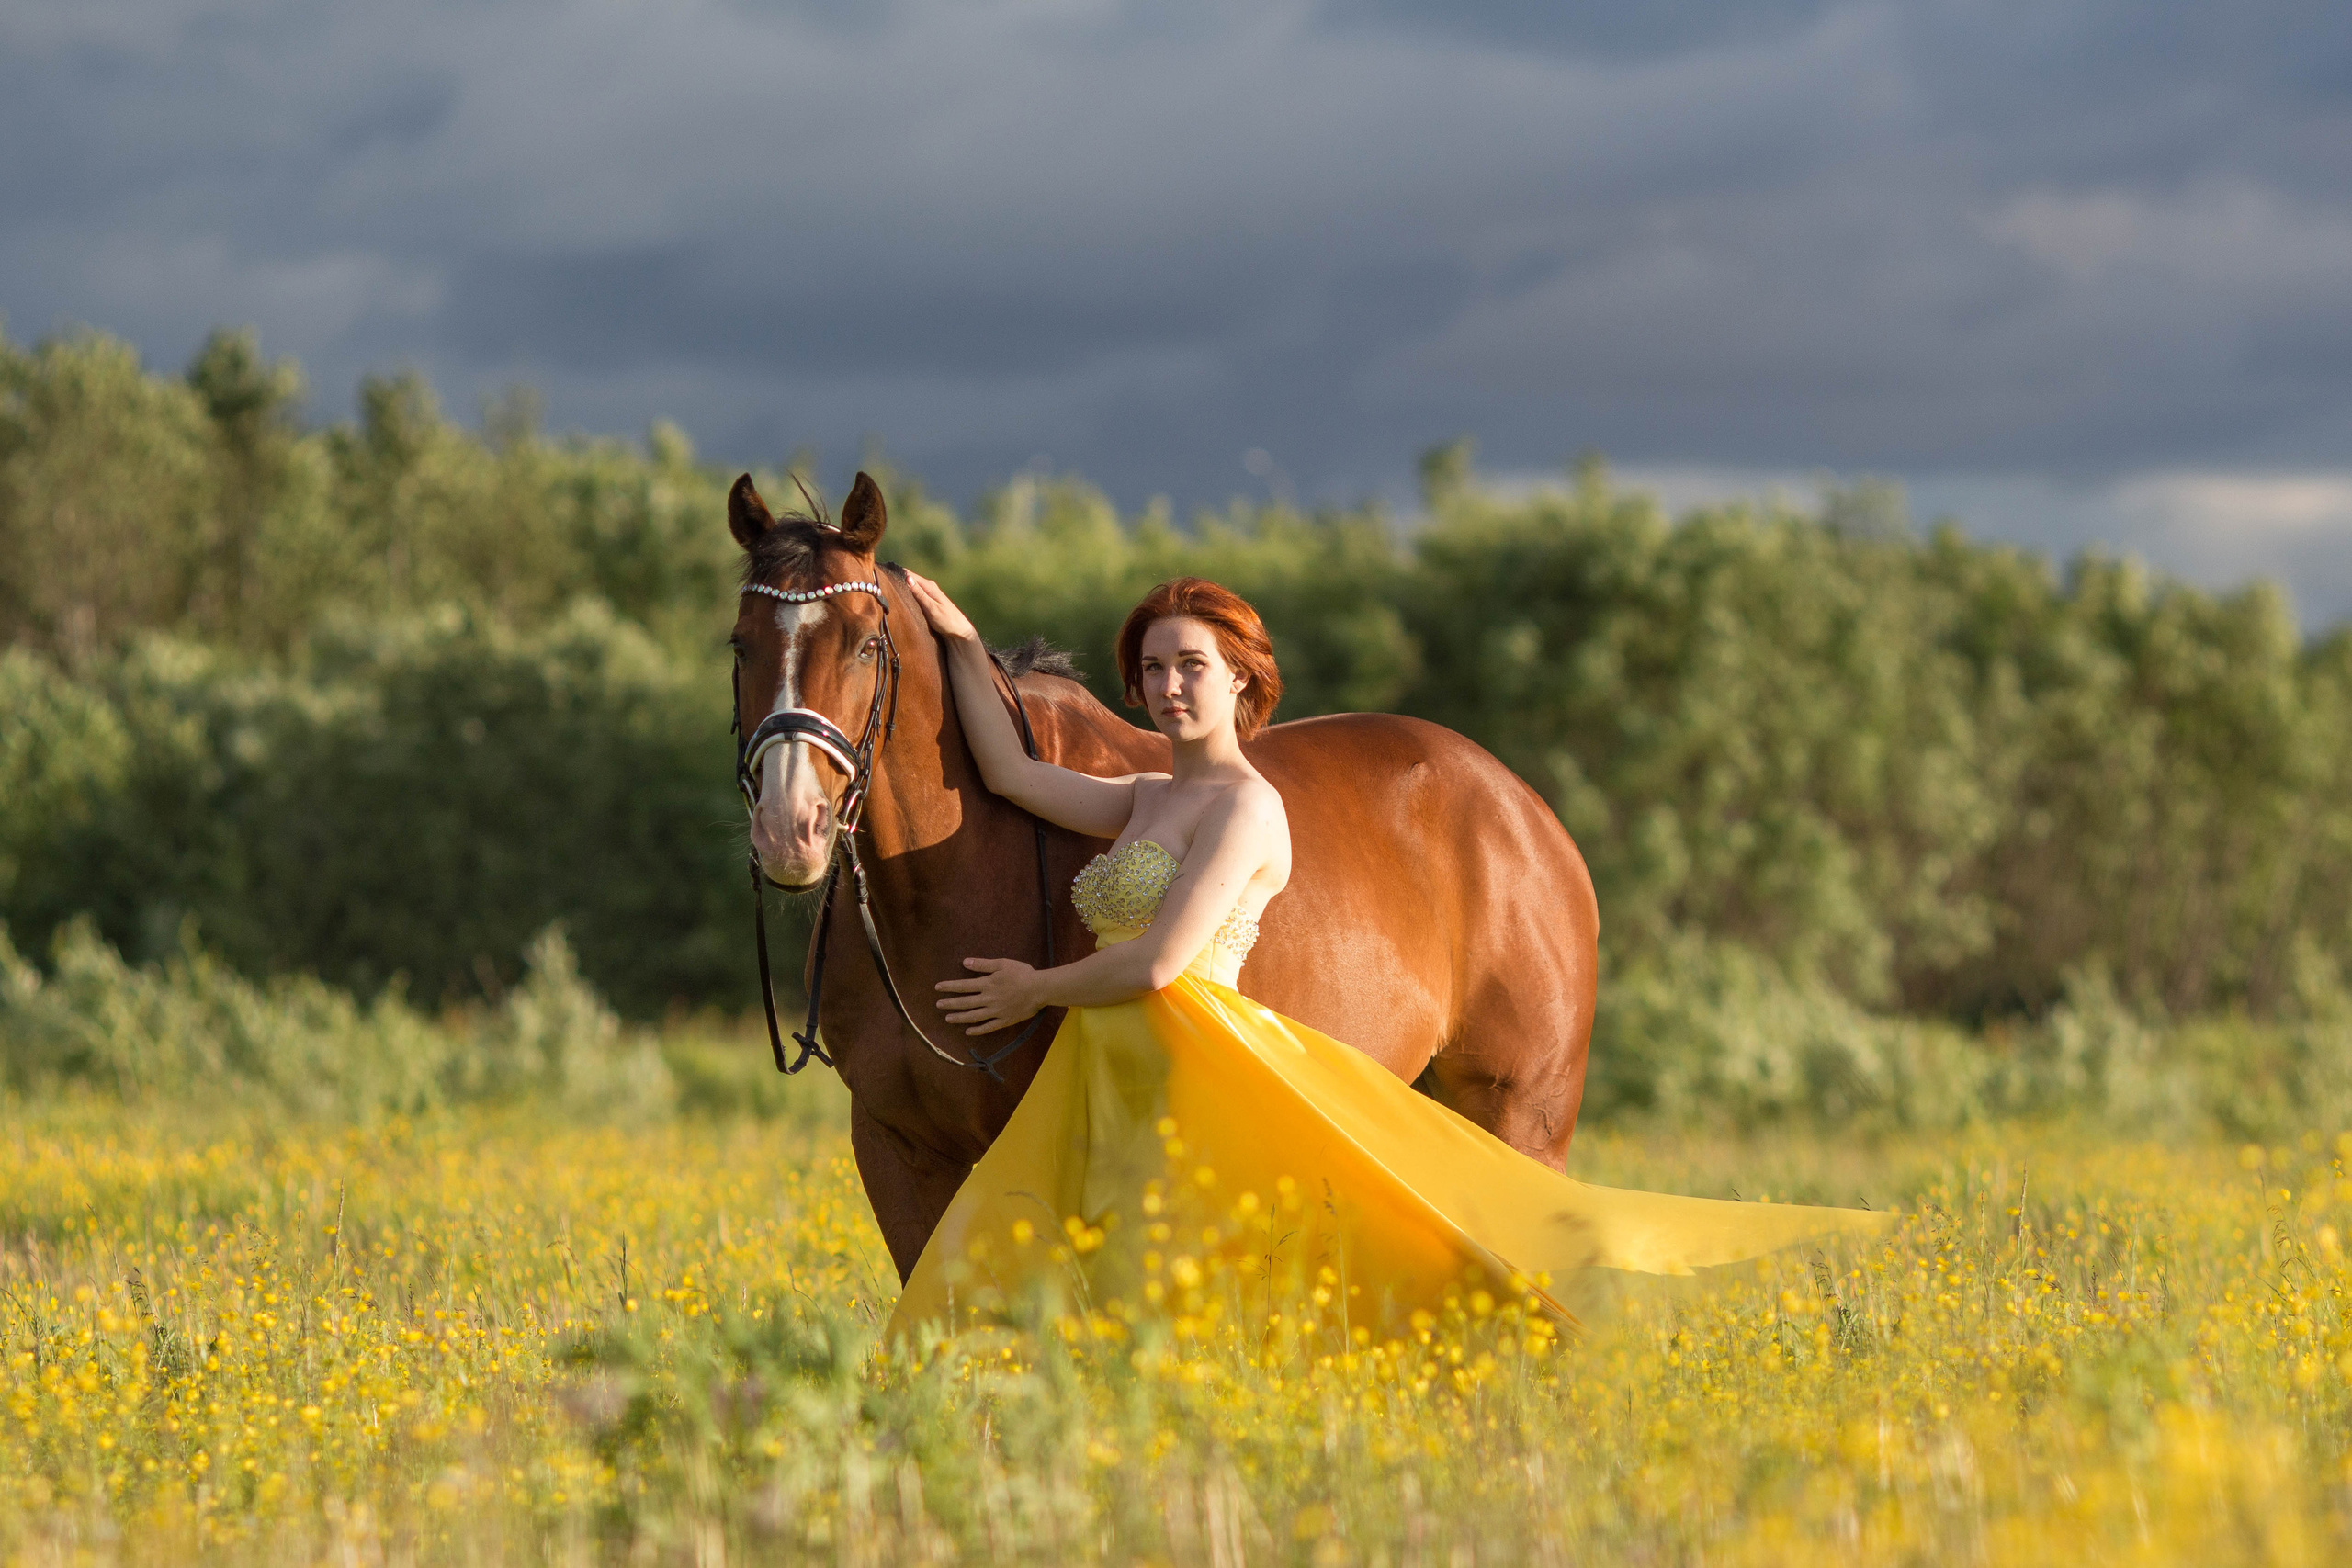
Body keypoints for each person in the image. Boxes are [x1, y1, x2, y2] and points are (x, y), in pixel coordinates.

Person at [890, 573, 1888, 1338]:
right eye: (1151, 669)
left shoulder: (1249, 808)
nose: (1166, 688)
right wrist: (961, 641)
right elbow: (1015, 773)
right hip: (1108, 1069)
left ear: (1239, 676)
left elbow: (1159, 965)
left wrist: (1034, 989)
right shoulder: (1150, 798)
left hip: (1189, 1066)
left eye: (1189, 666)